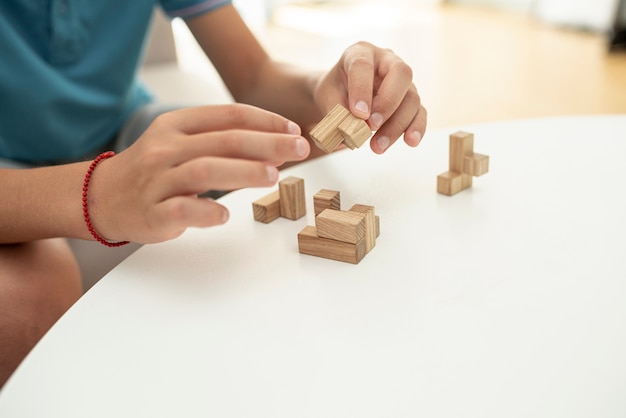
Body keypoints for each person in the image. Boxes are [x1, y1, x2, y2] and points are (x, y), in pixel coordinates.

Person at [0, 1, 427, 388]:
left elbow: (256, 77)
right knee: (23, 306)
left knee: (289, 145)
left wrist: (324, 87)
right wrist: (97, 192)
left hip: (121, 127)